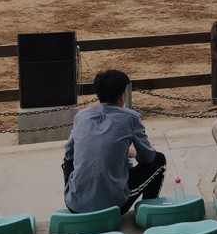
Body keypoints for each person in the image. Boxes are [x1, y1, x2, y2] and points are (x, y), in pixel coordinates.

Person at [62, 69, 167, 214]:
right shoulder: (131, 118)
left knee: (70, 158)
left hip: (74, 205)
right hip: (113, 206)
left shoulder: (81, 117)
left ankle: (76, 193)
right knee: (159, 160)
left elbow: (69, 154)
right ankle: (148, 212)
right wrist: (134, 153)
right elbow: (148, 157)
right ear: (123, 95)